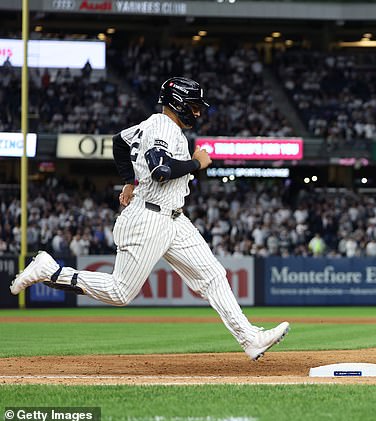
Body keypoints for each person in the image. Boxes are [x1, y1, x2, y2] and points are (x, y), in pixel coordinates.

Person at [10, 77, 289, 361]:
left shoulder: (152, 125)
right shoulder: (162, 127)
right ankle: (51, 271)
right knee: (120, 292)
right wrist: (196, 163)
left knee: (213, 276)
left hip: (174, 218)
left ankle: (250, 338)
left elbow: (118, 142)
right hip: (149, 218)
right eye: (193, 107)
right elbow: (161, 170)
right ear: (177, 103)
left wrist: (129, 180)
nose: (198, 113)